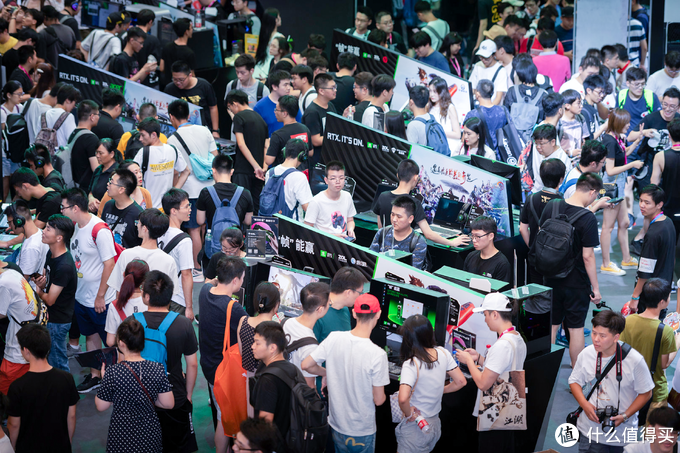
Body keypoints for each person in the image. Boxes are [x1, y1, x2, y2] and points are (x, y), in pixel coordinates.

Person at [302, 294, 389, 452]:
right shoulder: (378, 354)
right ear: (378, 314)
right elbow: (379, 400)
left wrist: (327, 373)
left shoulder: (334, 338)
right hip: (361, 431)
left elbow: (306, 364)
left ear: (354, 313)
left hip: (335, 425)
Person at [540, 173, 603, 367]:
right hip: (576, 282)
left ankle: (547, 369)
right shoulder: (588, 218)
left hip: (550, 276)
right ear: (592, 192)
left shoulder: (552, 206)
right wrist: (596, 288)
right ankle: (577, 373)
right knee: (575, 328)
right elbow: (588, 256)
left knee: (552, 325)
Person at [568, 310, 654, 452]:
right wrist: (584, 404)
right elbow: (574, 381)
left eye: (602, 336)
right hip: (590, 432)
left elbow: (646, 393)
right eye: (594, 333)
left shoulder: (635, 360)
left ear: (616, 337)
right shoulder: (587, 353)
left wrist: (625, 416)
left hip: (622, 435)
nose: (596, 339)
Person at [134, 270, 199, 453]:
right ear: (170, 296)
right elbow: (192, 364)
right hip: (174, 395)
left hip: (141, 396)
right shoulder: (183, 324)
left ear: (146, 297)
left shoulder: (132, 323)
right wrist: (188, 394)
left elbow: (124, 362)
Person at [60, 188, 117, 392]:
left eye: (63, 207)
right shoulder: (76, 227)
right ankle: (95, 375)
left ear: (75, 208)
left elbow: (110, 264)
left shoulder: (99, 230)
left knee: (110, 341)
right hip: (82, 297)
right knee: (90, 336)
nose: (61, 211)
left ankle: (114, 379)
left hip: (100, 300)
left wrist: (100, 296)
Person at [456, 293, 526, 453]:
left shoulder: (501, 345)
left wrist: (468, 361)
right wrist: (480, 358)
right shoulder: (517, 338)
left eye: (485, 314)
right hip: (509, 410)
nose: (485, 319)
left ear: (495, 314)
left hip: (494, 414)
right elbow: (503, 368)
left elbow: (483, 383)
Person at [95, 317, 174, 453]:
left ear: (121, 343)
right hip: (149, 434)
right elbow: (169, 403)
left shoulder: (113, 372)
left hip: (121, 435)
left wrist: (105, 380)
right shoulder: (157, 368)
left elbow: (101, 406)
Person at [395, 314, 466, 452]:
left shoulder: (411, 364)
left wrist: (409, 414)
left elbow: (403, 399)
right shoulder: (443, 353)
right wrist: (441, 390)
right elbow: (461, 381)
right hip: (434, 424)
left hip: (416, 427)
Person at [199, 256, 248, 451]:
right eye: (242, 278)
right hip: (224, 372)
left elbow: (209, 282)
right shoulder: (234, 308)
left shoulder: (204, 292)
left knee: (220, 410)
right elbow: (250, 332)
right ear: (235, 280)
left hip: (208, 364)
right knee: (224, 419)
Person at [7, 324, 79, 453]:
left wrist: (11, 448)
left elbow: (14, 424)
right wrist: (67, 442)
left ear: (26, 350)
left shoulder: (17, 387)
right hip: (59, 445)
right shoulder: (66, 378)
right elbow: (72, 415)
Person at [166, 99, 218, 275]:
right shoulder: (204, 130)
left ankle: (196, 267)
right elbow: (215, 156)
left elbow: (175, 171)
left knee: (194, 228)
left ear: (171, 117)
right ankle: (207, 263)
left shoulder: (172, 139)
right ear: (188, 115)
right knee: (206, 227)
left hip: (190, 190)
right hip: (210, 188)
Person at [373, 159, 470, 248]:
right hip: (404, 250)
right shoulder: (413, 203)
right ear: (416, 178)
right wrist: (452, 242)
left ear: (397, 175)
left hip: (385, 247)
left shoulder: (382, 196)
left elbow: (381, 227)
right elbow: (428, 234)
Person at [621, 278, 679, 427]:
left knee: (627, 428)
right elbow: (664, 364)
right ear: (662, 302)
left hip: (630, 387)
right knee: (653, 434)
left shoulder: (628, 321)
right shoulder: (665, 331)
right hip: (654, 389)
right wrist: (677, 342)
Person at [600, 109, 644, 276]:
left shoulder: (617, 138)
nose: (629, 125)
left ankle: (626, 259)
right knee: (608, 226)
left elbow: (623, 154)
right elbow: (610, 170)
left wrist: (637, 140)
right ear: (618, 123)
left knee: (624, 222)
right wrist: (632, 165)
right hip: (612, 186)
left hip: (619, 184)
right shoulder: (609, 140)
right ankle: (606, 264)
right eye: (626, 123)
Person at [32, 214, 77, 372]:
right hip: (50, 316)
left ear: (59, 238)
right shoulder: (50, 253)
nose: (43, 231)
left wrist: (39, 291)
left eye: (48, 229)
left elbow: (50, 299)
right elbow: (47, 280)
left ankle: (65, 387)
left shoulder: (64, 266)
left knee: (58, 362)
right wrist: (42, 284)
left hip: (58, 321)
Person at [196, 154, 254, 269]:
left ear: (213, 170)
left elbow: (200, 220)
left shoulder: (206, 192)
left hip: (214, 248)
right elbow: (248, 221)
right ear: (232, 171)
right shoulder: (245, 193)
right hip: (236, 249)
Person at [107, 208, 180, 296]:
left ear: (145, 228)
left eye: (138, 223)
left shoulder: (126, 255)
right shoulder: (169, 261)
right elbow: (170, 294)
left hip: (129, 303)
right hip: (155, 304)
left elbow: (118, 290)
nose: (137, 225)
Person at [627, 186, 677, 314]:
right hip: (663, 289)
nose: (642, 205)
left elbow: (645, 271)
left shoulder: (653, 233)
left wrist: (635, 297)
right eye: (641, 200)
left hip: (650, 293)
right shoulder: (668, 222)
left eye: (647, 202)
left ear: (659, 204)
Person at [250, 321, 299, 439]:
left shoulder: (267, 380)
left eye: (257, 343)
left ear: (272, 347)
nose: (253, 346)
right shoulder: (292, 368)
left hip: (275, 442)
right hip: (291, 437)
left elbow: (265, 424)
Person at [520, 159, 566, 284]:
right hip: (555, 257)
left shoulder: (531, 199)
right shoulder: (563, 202)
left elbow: (523, 229)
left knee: (537, 289)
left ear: (541, 176)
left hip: (535, 256)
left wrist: (533, 246)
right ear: (561, 179)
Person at [0, 263, 41, 395]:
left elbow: (1, 313)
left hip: (18, 349)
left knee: (7, 389)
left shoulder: (3, 284)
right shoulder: (12, 273)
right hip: (32, 337)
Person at [132, 117, 190, 209]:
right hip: (167, 207)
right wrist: (174, 191)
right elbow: (186, 171)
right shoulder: (172, 149)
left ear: (153, 134)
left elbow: (130, 175)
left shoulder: (143, 152)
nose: (140, 139)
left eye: (143, 135)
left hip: (149, 207)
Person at [282, 282, 329, 387]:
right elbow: (309, 386)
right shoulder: (312, 347)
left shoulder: (286, 322)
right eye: (328, 303)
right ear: (320, 309)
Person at [228, 89, 268, 210]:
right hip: (259, 173)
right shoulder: (260, 119)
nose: (231, 111)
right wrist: (263, 167)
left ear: (235, 103)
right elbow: (267, 145)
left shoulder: (239, 117)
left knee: (241, 206)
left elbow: (241, 144)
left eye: (230, 107)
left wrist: (256, 167)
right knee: (255, 207)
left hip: (243, 170)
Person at [157, 189, 195, 319]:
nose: (190, 209)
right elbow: (186, 274)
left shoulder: (158, 232)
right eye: (186, 206)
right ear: (173, 211)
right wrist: (189, 307)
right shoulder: (184, 240)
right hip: (177, 298)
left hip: (159, 293)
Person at [370, 196, 429, 270]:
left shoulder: (418, 242)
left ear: (410, 219)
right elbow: (370, 259)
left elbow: (413, 272)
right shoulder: (382, 233)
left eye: (399, 216)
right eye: (392, 214)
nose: (394, 219)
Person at [164, 61, 220, 138]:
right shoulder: (169, 89)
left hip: (203, 129)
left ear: (190, 75)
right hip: (180, 131)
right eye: (175, 79)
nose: (178, 83)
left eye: (181, 80)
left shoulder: (204, 86)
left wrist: (215, 130)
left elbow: (213, 107)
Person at [263, 138, 313, 220]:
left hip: (272, 221)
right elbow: (307, 207)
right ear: (302, 156)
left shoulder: (270, 172)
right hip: (292, 224)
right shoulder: (299, 176)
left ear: (284, 152)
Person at [314, 267, 367, 343]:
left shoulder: (345, 309)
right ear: (348, 293)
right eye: (360, 293)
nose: (360, 296)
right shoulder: (318, 314)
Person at [304, 160, 356, 238]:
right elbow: (307, 230)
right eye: (333, 178)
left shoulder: (347, 196)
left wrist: (350, 229)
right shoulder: (316, 201)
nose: (338, 181)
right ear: (326, 180)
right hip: (323, 243)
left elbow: (350, 220)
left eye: (341, 178)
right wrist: (333, 237)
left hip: (343, 242)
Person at [104, 259, 149, 348]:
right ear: (145, 280)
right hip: (146, 353)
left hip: (125, 354)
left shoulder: (115, 306)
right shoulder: (150, 302)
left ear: (124, 274)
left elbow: (110, 341)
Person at [1, 201, 47, 283]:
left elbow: (21, 281)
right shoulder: (37, 232)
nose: (9, 227)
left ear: (19, 221)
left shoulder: (31, 247)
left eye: (10, 223)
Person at [99, 168, 144, 248]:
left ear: (121, 190)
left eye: (111, 182)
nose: (108, 184)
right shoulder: (108, 205)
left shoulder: (138, 214)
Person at [301, 73, 337, 171]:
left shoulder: (330, 105)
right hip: (317, 161)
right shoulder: (312, 112)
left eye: (335, 87)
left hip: (329, 157)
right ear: (321, 91)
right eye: (332, 88)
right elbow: (315, 140)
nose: (335, 90)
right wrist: (336, 137)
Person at [264, 95, 311, 168]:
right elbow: (310, 152)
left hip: (285, 173)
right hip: (303, 172)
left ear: (284, 113)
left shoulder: (277, 135)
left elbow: (268, 161)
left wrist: (267, 144)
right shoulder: (305, 129)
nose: (275, 112)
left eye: (276, 109)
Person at [463, 216, 511, 284]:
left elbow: (500, 290)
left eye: (478, 236)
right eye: (472, 235)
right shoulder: (471, 256)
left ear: (491, 236)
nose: (474, 240)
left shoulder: (502, 264)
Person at [253, 70, 300, 137]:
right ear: (274, 86)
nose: (289, 88)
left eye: (289, 84)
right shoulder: (259, 107)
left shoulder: (292, 103)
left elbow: (300, 124)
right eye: (285, 85)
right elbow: (257, 133)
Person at [67, 99, 101, 189]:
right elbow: (96, 169)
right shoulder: (91, 138)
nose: (99, 117)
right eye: (98, 115)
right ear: (92, 117)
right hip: (82, 188)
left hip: (71, 183)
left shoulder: (73, 133)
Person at [466, 80, 508, 152]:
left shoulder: (472, 114)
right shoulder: (503, 110)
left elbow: (465, 139)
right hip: (501, 154)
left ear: (477, 94)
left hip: (481, 154)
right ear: (493, 93)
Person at [530, 124, 571, 193]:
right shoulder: (547, 153)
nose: (538, 147)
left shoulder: (560, 162)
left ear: (552, 142)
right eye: (536, 143)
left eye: (541, 144)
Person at [40, 83, 79, 150]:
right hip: (59, 155)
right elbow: (73, 141)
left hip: (43, 155)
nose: (74, 106)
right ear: (68, 100)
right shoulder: (68, 117)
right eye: (74, 102)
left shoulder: (43, 115)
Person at [470, 40, 507, 105]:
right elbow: (472, 88)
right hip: (477, 105)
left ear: (494, 55)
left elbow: (498, 98)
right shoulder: (478, 66)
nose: (483, 60)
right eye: (481, 57)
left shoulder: (501, 71)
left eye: (486, 58)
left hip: (492, 107)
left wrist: (489, 109)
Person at [160, 18, 195, 87]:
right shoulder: (189, 53)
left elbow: (161, 68)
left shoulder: (167, 47)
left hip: (168, 85)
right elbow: (192, 76)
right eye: (191, 28)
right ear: (186, 32)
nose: (192, 30)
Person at [428, 77, 461, 151]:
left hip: (448, 147)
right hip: (433, 145)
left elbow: (457, 134)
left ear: (442, 92)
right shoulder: (428, 106)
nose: (432, 95)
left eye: (435, 91)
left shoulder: (450, 108)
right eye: (430, 91)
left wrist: (438, 133)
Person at [88, 138, 120, 213]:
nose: (97, 156)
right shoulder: (98, 169)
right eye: (96, 152)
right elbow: (91, 191)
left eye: (101, 153)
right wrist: (91, 199)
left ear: (112, 154)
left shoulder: (118, 172)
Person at [135, 9, 162, 89]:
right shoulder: (153, 40)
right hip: (147, 83)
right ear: (150, 22)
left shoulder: (128, 37)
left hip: (131, 77)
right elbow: (157, 63)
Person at [558, 89, 589, 157]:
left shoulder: (581, 118)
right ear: (567, 106)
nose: (581, 106)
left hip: (578, 159)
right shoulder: (559, 122)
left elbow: (584, 140)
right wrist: (570, 153)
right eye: (578, 103)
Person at [581, 75, 609, 141]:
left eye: (603, 92)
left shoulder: (594, 106)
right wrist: (604, 127)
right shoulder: (583, 110)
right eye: (599, 92)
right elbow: (589, 139)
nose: (602, 95)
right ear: (589, 90)